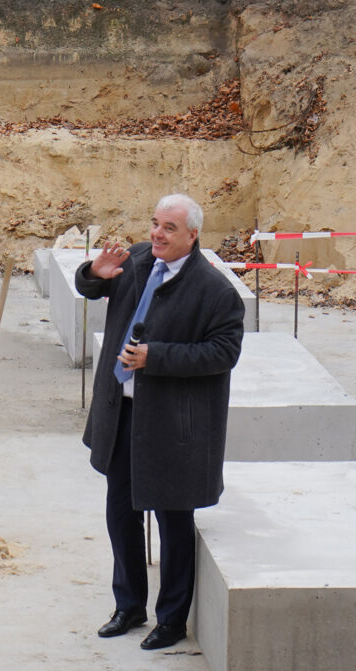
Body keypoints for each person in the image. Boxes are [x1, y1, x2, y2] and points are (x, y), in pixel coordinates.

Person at [75, 194, 244, 650]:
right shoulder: (134, 260)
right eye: (154, 224)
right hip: (124, 413)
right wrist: (93, 273)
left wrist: (157, 357)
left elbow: (224, 352)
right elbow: (89, 288)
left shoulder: (214, 291)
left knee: (173, 520)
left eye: (169, 228)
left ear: (192, 235)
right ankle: (128, 605)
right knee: (121, 512)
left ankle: (171, 619)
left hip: (172, 425)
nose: (157, 234)